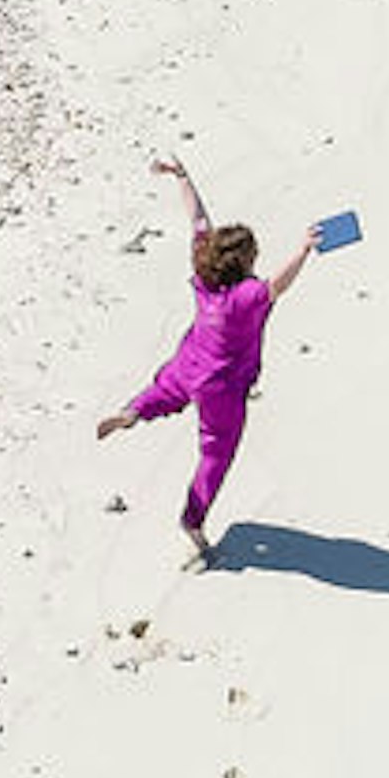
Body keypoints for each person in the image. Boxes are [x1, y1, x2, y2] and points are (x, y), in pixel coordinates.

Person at [96, 155, 317, 563]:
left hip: (188, 363)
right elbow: (277, 286)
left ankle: (132, 412)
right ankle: (193, 521)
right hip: (222, 386)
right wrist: (304, 250)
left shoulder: (204, 277)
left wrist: (182, 176)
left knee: (163, 391)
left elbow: (197, 219)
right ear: (245, 263)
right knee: (216, 452)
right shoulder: (245, 298)